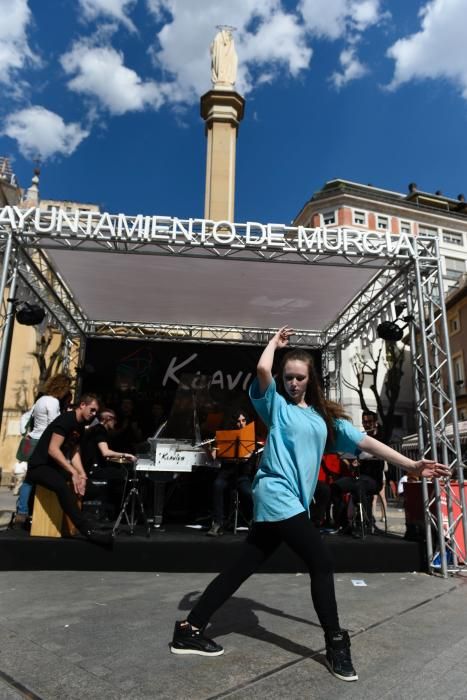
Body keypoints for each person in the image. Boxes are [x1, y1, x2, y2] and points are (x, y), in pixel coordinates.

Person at [169, 326, 451, 682]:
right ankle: (336, 643)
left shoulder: (324, 419)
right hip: (276, 494)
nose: (293, 383)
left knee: (241, 568)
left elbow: (366, 442)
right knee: (322, 560)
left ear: (310, 379)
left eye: (299, 378)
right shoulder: (276, 406)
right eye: (288, 377)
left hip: (290, 504)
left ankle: (189, 628)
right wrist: (273, 343)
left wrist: (410, 465)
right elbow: (261, 372)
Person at [25, 393, 113, 545]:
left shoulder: (80, 425)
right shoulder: (66, 420)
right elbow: (53, 449)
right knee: (62, 486)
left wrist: (82, 475)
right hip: (39, 467)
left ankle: (77, 520)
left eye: (95, 412)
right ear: (82, 405)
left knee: (91, 489)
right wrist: (72, 472)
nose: (93, 415)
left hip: (54, 468)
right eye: (91, 410)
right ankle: (87, 530)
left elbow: (74, 452)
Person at [13, 373, 72, 526]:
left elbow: (29, 418)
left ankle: (22, 511)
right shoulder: (52, 402)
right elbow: (54, 424)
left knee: (29, 479)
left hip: (33, 439)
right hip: (43, 442)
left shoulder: (41, 400)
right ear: (63, 388)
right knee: (46, 476)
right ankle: (40, 512)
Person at [81, 408, 136, 520]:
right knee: (124, 475)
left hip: (94, 467)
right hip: (94, 469)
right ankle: (119, 513)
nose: (115, 423)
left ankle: (113, 510)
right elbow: (105, 453)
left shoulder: (98, 430)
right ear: (107, 419)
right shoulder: (100, 430)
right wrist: (126, 455)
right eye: (114, 420)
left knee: (120, 472)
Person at [206, 411, 254, 537]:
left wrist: (240, 457)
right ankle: (218, 523)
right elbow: (214, 458)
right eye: (239, 421)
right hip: (226, 473)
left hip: (242, 475)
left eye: (243, 421)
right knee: (217, 486)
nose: (241, 423)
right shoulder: (225, 437)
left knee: (248, 492)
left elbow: (246, 458)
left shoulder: (249, 437)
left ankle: (252, 520)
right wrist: (209, 449)